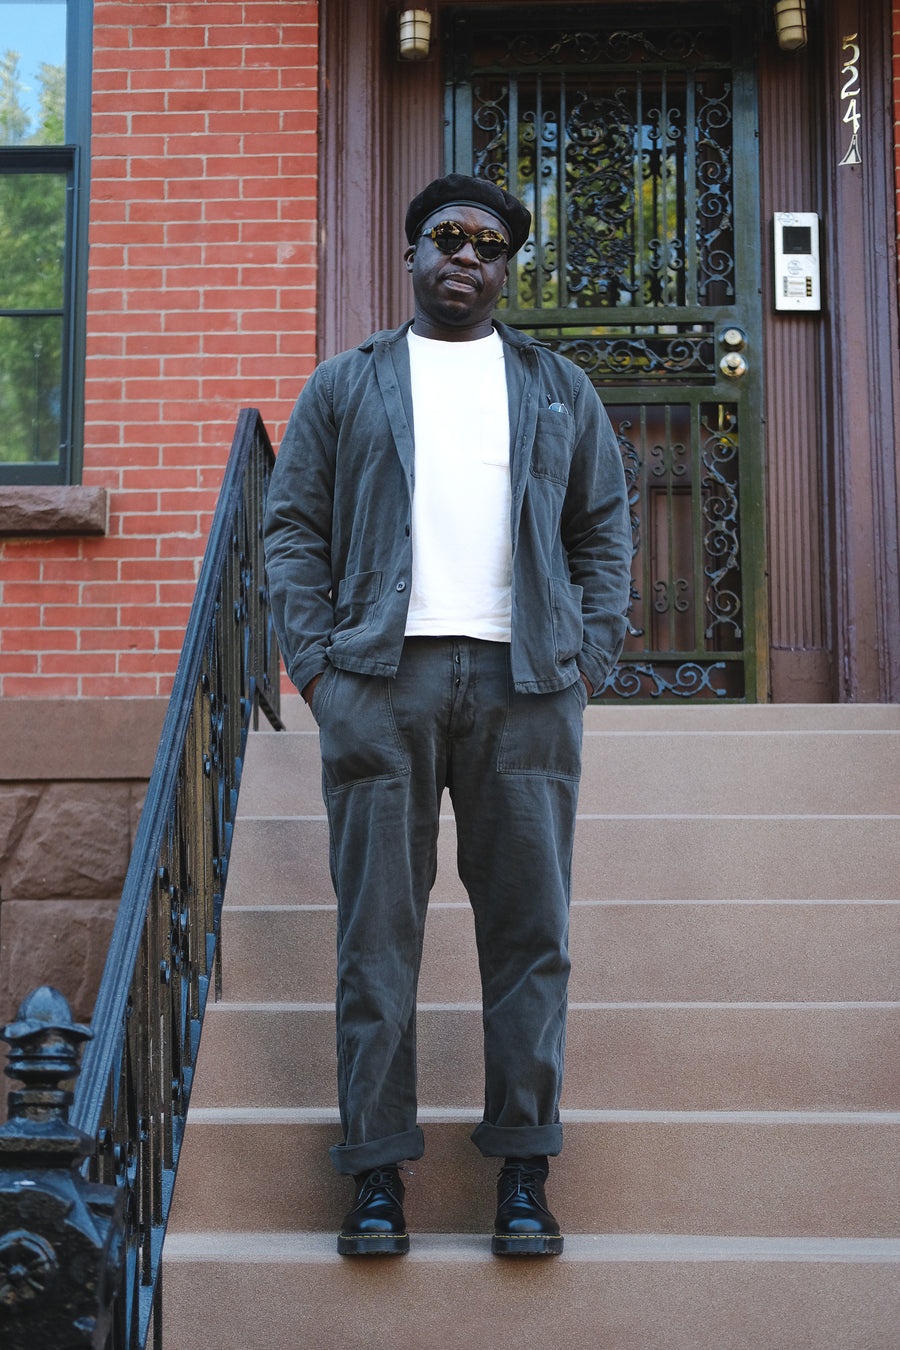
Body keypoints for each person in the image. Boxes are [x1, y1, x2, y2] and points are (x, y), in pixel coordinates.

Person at [264, 173, 632, 1258]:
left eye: (490, 245)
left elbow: (603, 531)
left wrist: (587, 658)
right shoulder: (349, 384)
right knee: (376, 937)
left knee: (531, 935)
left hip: (527, 689)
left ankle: (525, 1169)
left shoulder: (558, 387)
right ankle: (377, 1175)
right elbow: (293, 531)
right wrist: (322, 675)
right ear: (414, 256)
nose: (467, 257)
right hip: (384, 684)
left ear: (507, 268)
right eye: (447, 239)